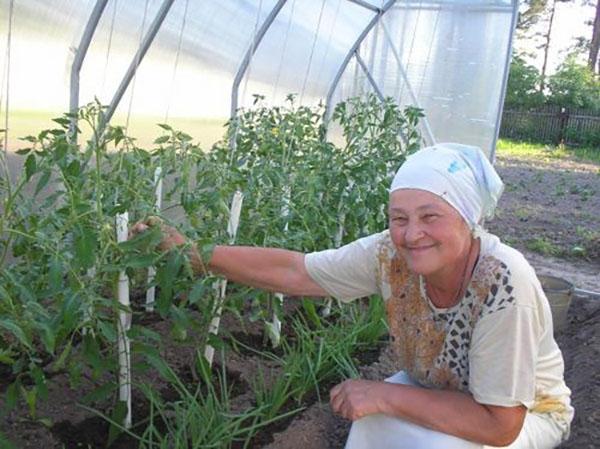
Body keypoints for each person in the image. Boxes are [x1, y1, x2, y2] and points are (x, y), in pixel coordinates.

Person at [131, 142, 573, 449]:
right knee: (374, 427)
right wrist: (195, 254)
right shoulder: (389, 253)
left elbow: (500, 426)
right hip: (440, 390)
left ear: (468, 219)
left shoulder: (502, 285)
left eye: (430, 215)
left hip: (526, 416)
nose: (411, 233)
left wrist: (384, 394)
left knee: (433, 440)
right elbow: (296, 270)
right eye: (399, 217)